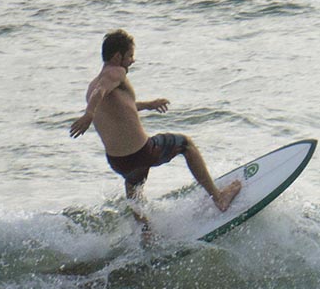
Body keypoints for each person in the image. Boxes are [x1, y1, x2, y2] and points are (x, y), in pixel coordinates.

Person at [69, 29, 241, 232]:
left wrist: (149, 105)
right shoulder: (115, 72)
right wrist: (88, 114)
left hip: (119, 162)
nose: (132, 60)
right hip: (142, 152)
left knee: (134, 185)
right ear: (117, 56)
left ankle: (146, 231)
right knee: (186, 144)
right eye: (130, 55)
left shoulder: (92, 85)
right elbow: (101, 93)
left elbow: (119, 106)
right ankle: (218, 197)